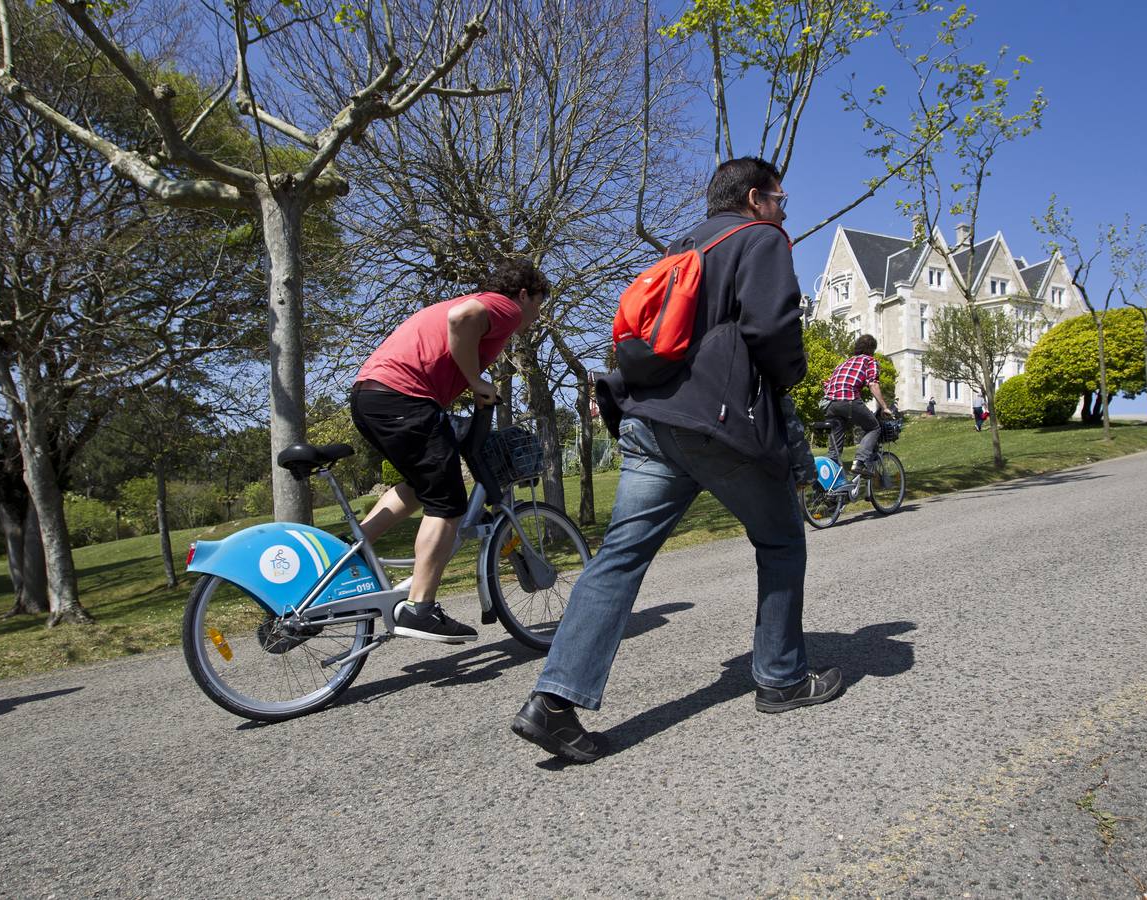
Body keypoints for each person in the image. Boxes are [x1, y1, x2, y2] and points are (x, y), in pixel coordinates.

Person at [511, 156, 843, 764]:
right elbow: (772, 329)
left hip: (648, 420)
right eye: (779, 199)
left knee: (619, 557)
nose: (783, 211)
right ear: (754, 198)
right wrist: (791, 375)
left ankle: (552, 702)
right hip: (717, 423)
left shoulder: (679, 248)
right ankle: (781, 677)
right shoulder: (760, 239)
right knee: (780, 541)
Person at [350, 259, 548, 643]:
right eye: (539, 304)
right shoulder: (503, 307)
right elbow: (462, 319)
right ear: (524, 294)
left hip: (372, 396)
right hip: (404, 398)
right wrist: (476, 381)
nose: (537, 315)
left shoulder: (475, 305)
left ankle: (352, 549)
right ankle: (419, 609)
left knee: (420, 487)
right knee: (449, 504)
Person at [822, 334, 893, 475]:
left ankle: (831, 483)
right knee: (874, 427)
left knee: (834, 452)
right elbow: (873, 384)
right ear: (871, 349)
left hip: (829, 404)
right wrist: (885, 407)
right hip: (848, 400)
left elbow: (827, 384)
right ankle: (859, 462)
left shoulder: (844, 363)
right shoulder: (869, 361)